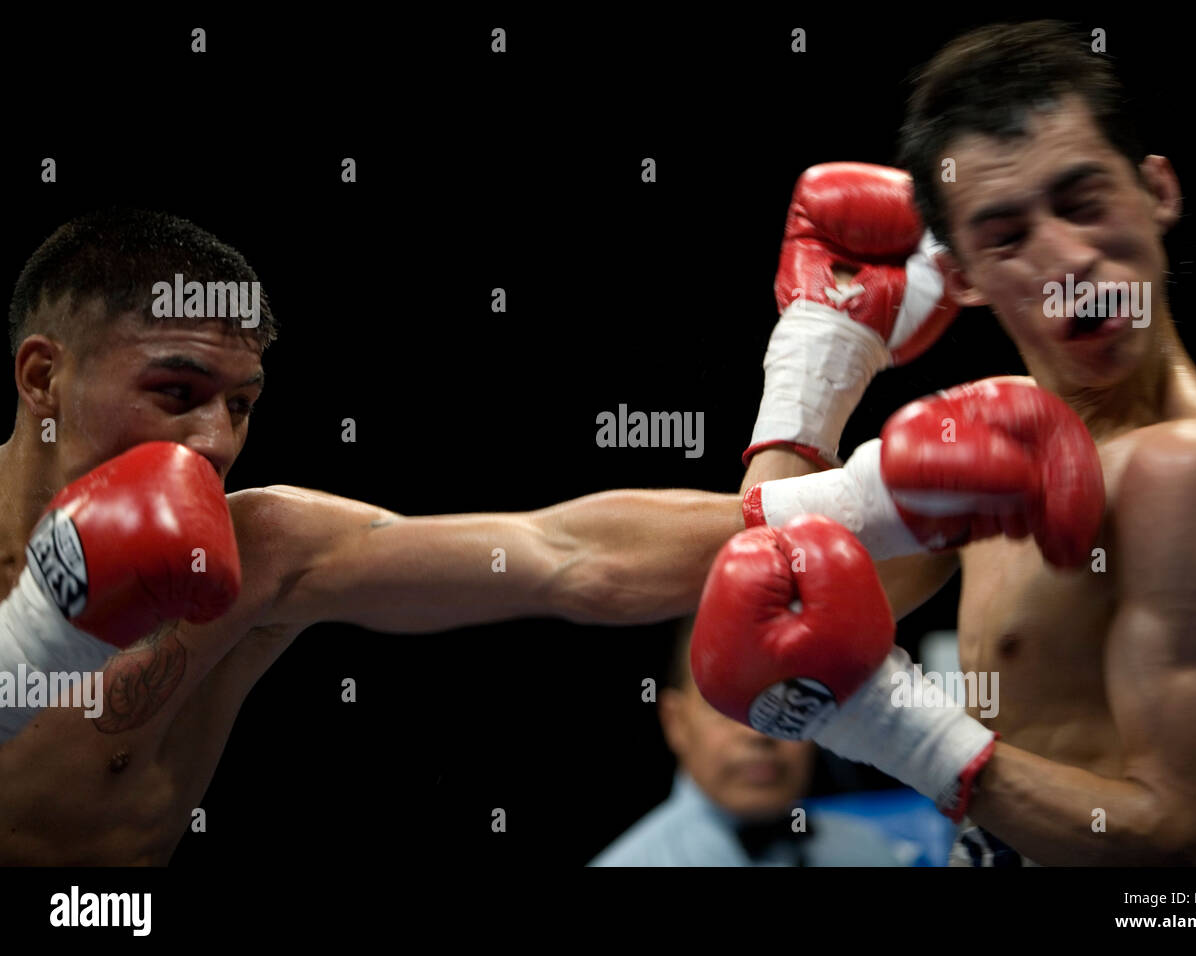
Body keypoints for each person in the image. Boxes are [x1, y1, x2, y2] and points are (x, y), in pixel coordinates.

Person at [705, 20, 1196, 865]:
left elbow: (1179, 847)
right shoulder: (1000, 445)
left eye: (1084, 202)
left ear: (1159, 191)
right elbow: (763, 582)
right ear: (965, 277)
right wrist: (815, 366)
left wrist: (891, 723)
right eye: (1009, 235)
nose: (1067, 258)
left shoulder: (1192, 468)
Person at [0, 208, 750, 864]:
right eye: (175, 393)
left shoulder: (259, 549)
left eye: (239, 403)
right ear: (42, 378)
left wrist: (853, 501)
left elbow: (567, 555)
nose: (216, 441)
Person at [589, 617, 909, 866]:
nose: (758, 734)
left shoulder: (869, 853)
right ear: (676, 723)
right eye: (725, 708)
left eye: (788, 704)